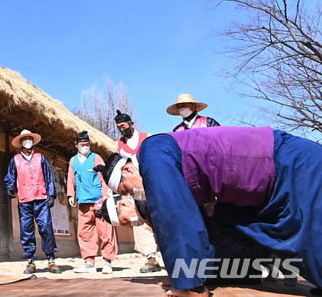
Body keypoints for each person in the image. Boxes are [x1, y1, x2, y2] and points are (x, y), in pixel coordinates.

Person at [100, 126, 322, 297]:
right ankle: (245, 272)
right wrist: (181, 270)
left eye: (124, 188)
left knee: (310, 234)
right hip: (259, 189)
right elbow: (198, 222)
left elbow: (175, 216)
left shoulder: (152, 151)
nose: (131, 194)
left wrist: (189, 285)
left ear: (128, 169)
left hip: (290, 162)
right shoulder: (159, 158)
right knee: (227, 221)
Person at [4, 129, 62, 274]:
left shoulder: (40, 158)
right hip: (24, 199)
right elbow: (10, 177)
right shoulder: (15, 160)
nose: (28, 141)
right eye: (25, 139)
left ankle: (51, 259)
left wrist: (51, 195)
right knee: (26, 229)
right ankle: (30, 260)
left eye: (30, 138)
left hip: (41, 198)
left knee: (46, 228)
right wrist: (9, 187)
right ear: (21, 143)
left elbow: (48, 178)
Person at [114, 110, 160, 273]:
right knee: (140, 219)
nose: (122, 129)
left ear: (132, 124)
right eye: (119, 127)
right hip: (134, 187)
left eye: (124, 126)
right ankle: (150, 258)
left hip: (152, 182)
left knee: (160, 216)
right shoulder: (118, 144)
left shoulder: (148, 137)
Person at [67, 130, 118, 274]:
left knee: (105, 230)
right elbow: (71, 178)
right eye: (82, 144)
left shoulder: (96, 158)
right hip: (83, 201)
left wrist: (105, 196)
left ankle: (107, 261)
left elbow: (104, 178)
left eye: (87, 144)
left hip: (98, 200)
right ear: (76, 145)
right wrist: (71, 195)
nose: (85, 147)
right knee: (85, 232)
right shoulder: (73, 161)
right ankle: (89, 262)